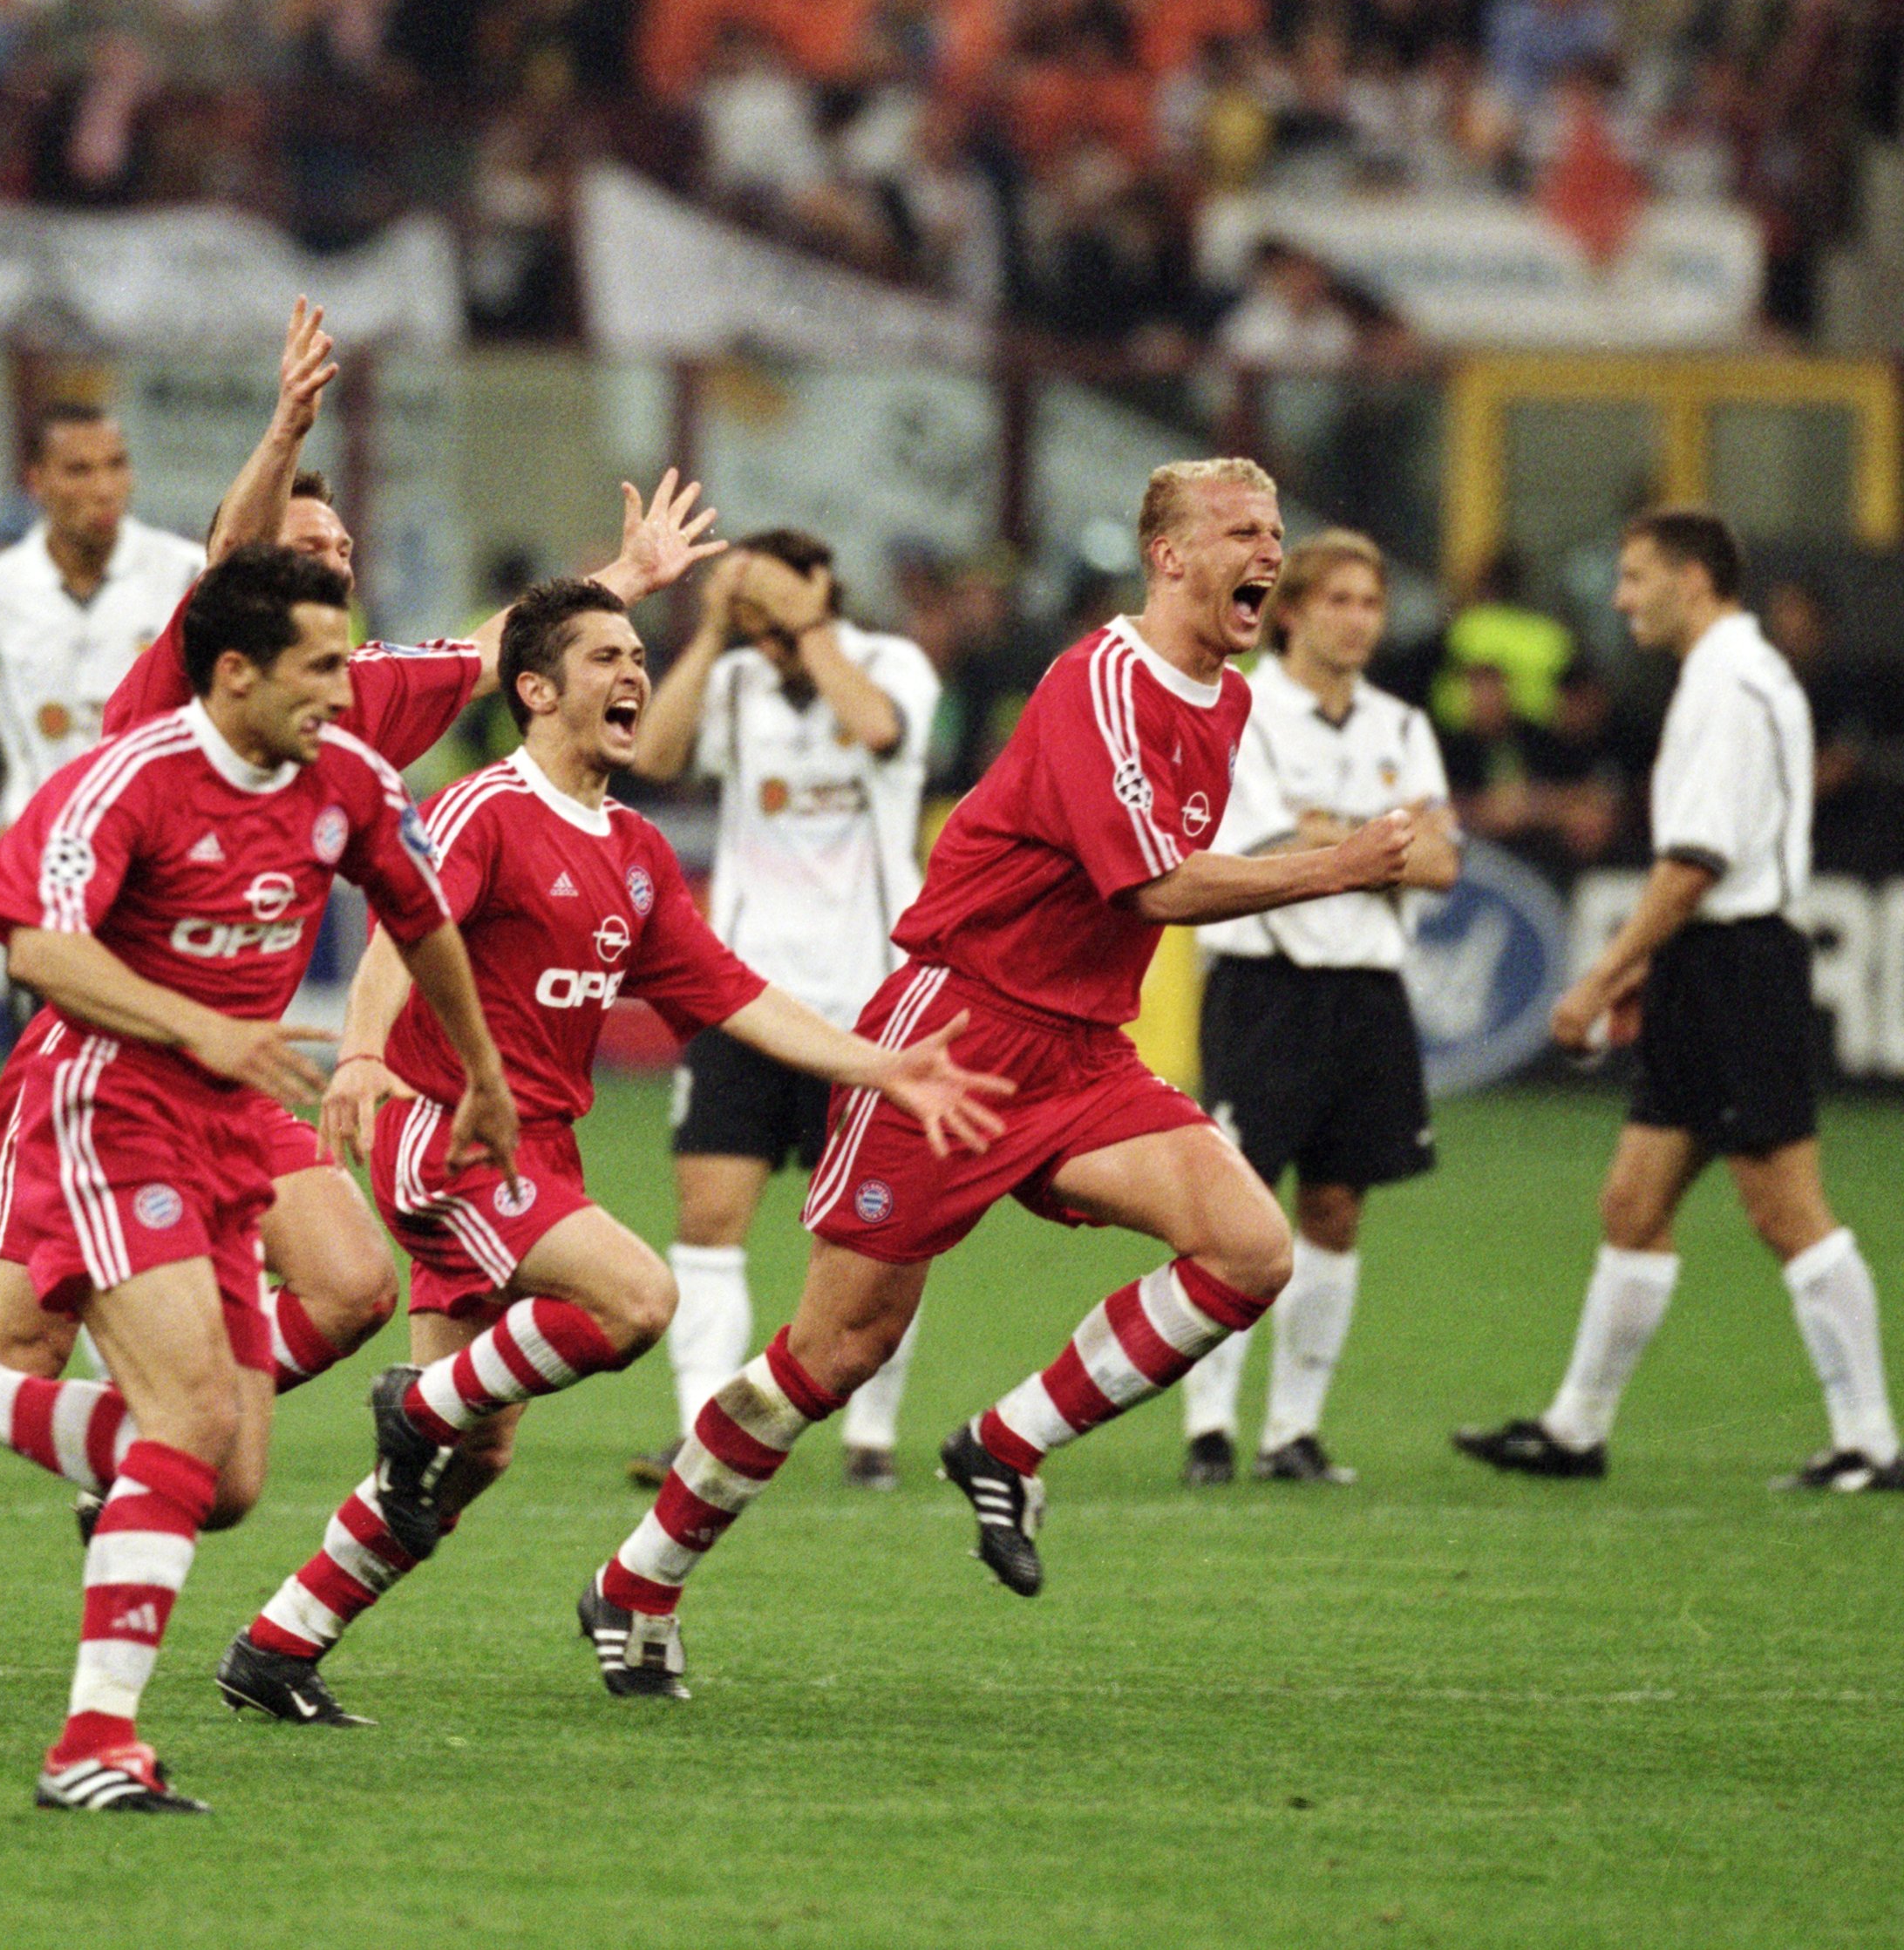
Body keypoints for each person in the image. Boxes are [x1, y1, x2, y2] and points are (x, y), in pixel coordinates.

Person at [0, 304, 719, 1684]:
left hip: (240, 1080)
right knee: (18, 1349)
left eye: (347, 556)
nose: (337, 572)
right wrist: (284, 429)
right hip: (97, 1076)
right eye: (313, 553)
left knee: (353, 1282)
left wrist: (624, 580)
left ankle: (157, 1423)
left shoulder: (345, 709)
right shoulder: (193, 676)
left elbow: (503, 660)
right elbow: (232, 560)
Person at [584, 459, 1418, 1695]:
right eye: (1241, 530)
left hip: (1080, 1053)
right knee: (834, 1352)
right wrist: (1333, 865)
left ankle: (1007, 1443)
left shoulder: (1225, 699)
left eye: (1277, 531)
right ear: (1170, 555)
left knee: (1252, 1248)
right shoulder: (1102, 678)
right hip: (952, 1039)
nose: (1268, 551)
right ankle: (639, 1578)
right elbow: (1149, 883)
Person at [213, 580, 1006, 1728]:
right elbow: (408, 924)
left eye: (640, 656)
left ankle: (279, 1643)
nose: (634, 674)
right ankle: (416, 1401)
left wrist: (877, 1066)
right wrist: (362, 1053)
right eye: (605, 658)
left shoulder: (633, 849)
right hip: (448, 1129)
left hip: (540, 1146)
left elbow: (730, 991)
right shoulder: (485, 809)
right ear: (535, 690)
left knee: (472, 1458)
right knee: (638, 1297)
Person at [0, 543, 518, 1813]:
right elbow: (37, 947)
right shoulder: (122, 781)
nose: (339, 690)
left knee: (227, 1479)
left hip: (234, 1121)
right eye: (316, 666)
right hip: (107, 1106)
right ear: (236, 670)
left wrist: (479, 1069)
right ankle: (92, 1744)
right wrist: (200, 1027)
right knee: (185, 1422)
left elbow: (421, 919)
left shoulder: (344, 775)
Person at [1456, 511, 1901, 1492]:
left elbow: (1697, 863)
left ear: (1693, 580)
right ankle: (1575, 1429)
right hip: (1714, 966)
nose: (1621, 600)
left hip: (1739, 963)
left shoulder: (1731, 684)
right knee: (1633, 1201)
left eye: (1634, 577)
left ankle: (1872, 1440)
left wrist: (1600, 976)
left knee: (1785, 1207)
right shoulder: (1727, 676)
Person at [623, 527, 943, 1493]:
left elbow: (880, 732)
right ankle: (701, 1432)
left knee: (878, 1231)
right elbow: (658, 753)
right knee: (710, 1216)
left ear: (823, 588)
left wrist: (807, 626)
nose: (767, 634)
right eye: (753, 613)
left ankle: (871, 1437)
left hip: (872, 1003)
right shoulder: (734, 677)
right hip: (748, 996)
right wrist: (715, 627)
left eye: (776, 606)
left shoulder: (892, 665)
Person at [1180, 530, 1457, 1487]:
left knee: (1337, 1210)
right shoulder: (1242, 712)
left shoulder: (1401, 725)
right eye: (1338, 600)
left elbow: (1442, 861)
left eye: (1371, 603)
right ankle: (1209, 1425)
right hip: (1264, 987)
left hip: (1366, 989)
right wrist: (1374, 847)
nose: (1358, 620)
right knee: (1235, 1212)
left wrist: (1330, 837)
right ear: (1292, 610)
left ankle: (1291, 1430)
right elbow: (1256, 853)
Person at [0, 398, 203, 872]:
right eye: (79, 471)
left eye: (116, 466)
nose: (105, 488)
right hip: (45, 867)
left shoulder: (187, 576)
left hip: (170, 865)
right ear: (36, 481)